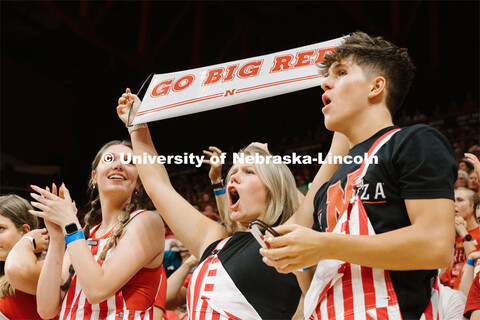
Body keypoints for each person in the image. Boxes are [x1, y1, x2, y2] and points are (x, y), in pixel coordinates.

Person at [260, 31, 457, 319]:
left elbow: (435, 246)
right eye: (327, 75)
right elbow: (306, 247)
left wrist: (324, 245)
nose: (325, 83)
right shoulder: (333, 179)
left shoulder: (413, 141)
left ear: (376, 87)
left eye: (340, 72)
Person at [116, 90, 302, 319]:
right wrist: (137, 127)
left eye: (248, 171)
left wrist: (270, 160)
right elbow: (157, 185)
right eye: (233, 171)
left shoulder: (293, 238)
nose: (233, 176)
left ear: (274, 188)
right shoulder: (216, 240)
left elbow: (326, 174)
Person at [29, 140, 165, 319]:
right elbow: (46, 310)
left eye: (129, 162)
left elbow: (97, 290)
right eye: (109, 159)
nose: (118, 165)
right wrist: (57, 239)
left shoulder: (147, 221)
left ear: (138, 182)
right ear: (94, 176)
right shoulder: (82, 237)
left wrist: (69, 222)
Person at [0, 194, 49, 319]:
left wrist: (28, 241)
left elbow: (18, 269)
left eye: (1, 228)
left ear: (25, 231)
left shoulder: (45, 269)